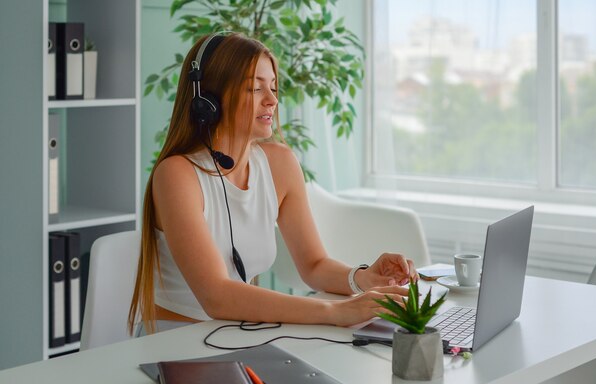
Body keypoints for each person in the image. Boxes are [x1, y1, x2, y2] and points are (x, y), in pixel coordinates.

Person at [128, 33, 417, 336]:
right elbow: (216, 296)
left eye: (274, 87)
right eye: (255, 88)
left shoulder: (279, 163)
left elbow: (314, 265)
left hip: (239, 335)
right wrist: (337, 311)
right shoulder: (177, 174)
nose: (272, 100)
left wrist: (362, 279)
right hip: (173, 341)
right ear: (208, 99)